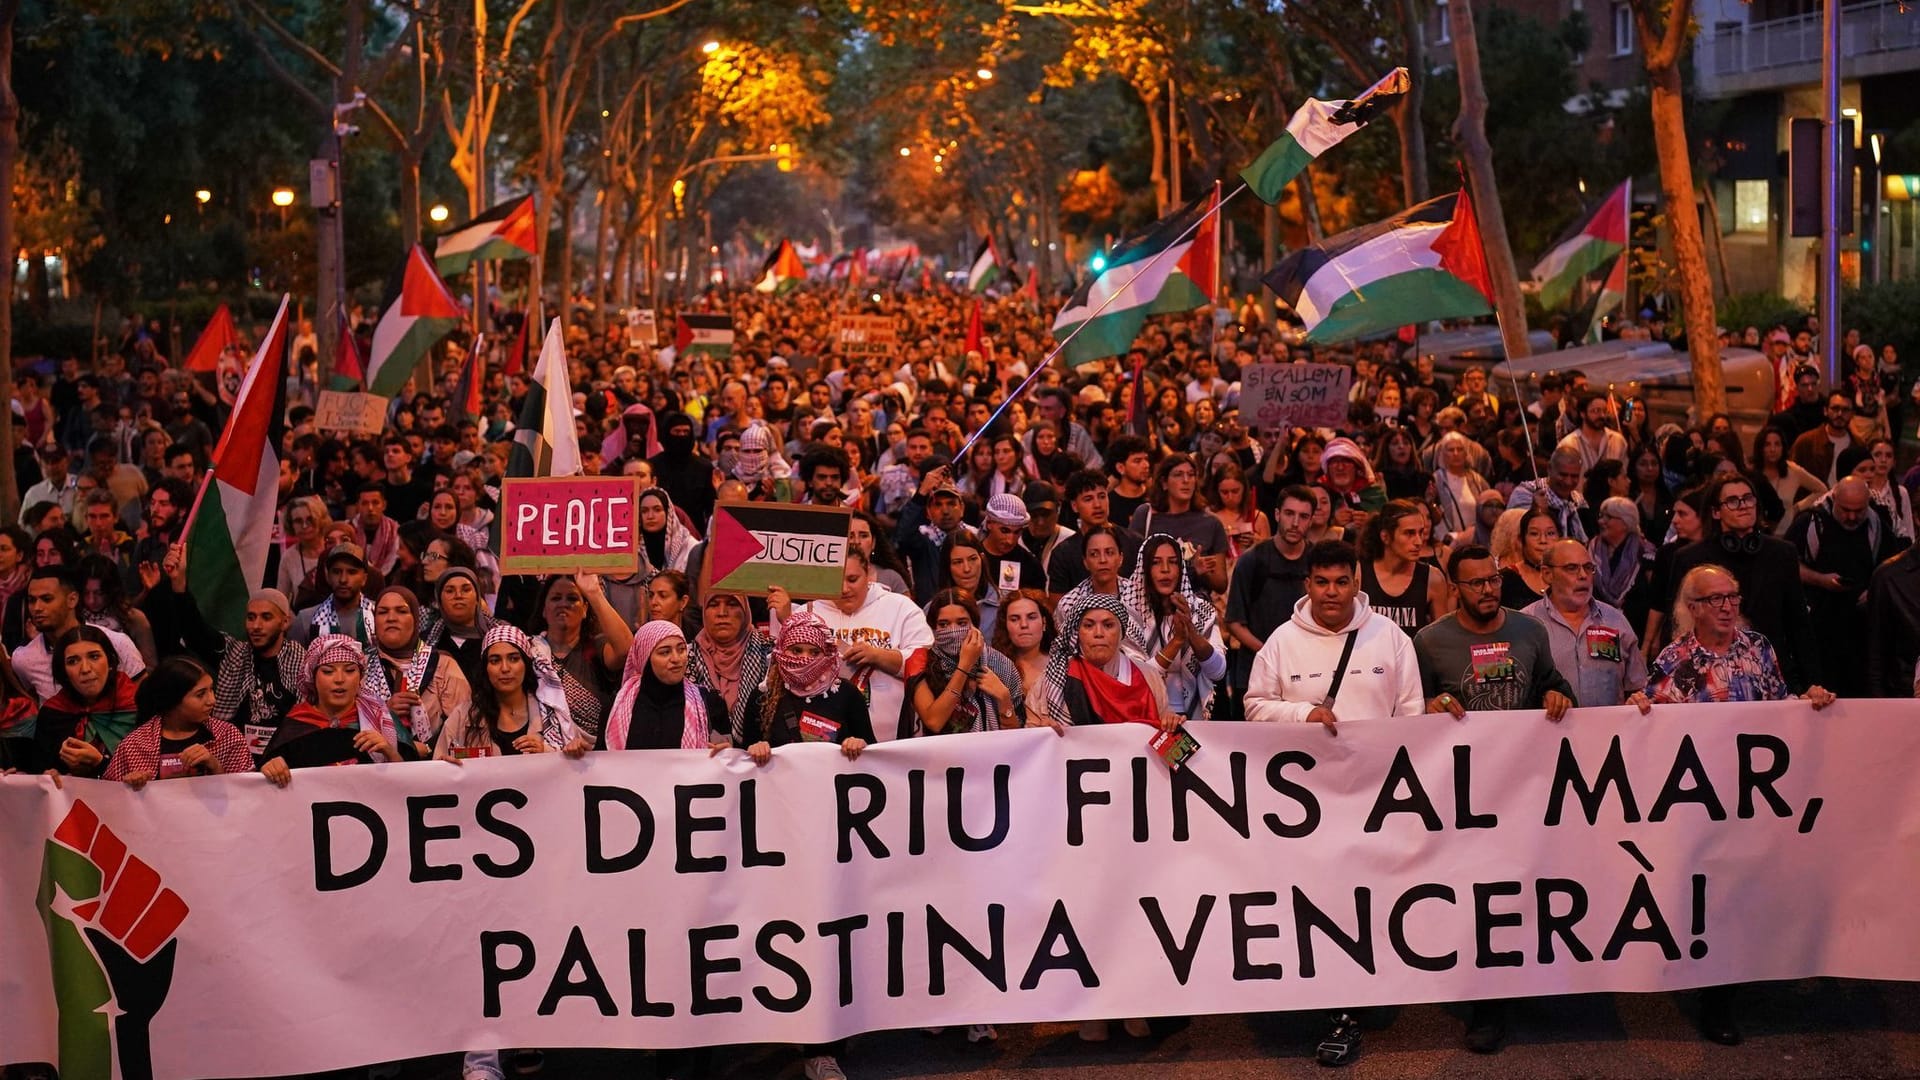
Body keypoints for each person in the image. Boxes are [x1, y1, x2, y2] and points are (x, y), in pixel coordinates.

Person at [1241, 538, 1423, 1066]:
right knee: (1322, 904)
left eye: (1342, 582)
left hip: (1377, 800)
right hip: (1305, 807)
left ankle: (1366, 989)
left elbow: (1411, 713)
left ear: (1357, 583)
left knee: (1372, 900)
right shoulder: (1280, 641)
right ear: (1307, 585)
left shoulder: (1389, 637)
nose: (1331, 593)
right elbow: (1254, 708)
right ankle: (1336, 1012)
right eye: (1321, 582)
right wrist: (1302, 716)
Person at [1412, 544, 1574, 1054]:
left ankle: (1521, 984)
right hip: (1462, 797)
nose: (1488, 590)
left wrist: (1557, 695)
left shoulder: (1529, 631)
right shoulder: (1430, 641)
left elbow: (1553, 683)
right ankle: (1484, 1004)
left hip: (1523, 788)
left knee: (1522, 890)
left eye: (1494, 581)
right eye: (1476, 583)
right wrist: (1432, 706)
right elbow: (1410, 710)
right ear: (1454, 588)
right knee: (1477, 895)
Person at [1668, 474, 1820, 692]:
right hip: (1711, 681)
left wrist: (1812, 684)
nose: (1743, 506)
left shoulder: (1783, 553)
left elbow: (1799, 624)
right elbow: (1677, 625)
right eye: (1732, 501)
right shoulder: (1690, 558)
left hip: (1774, 678)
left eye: (1748, 498)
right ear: (1715, 512)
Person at [771, 548, 933, 742]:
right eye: (837, 582)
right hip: (825, 741)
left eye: (852, 579)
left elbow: (927, 664)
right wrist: (788, 620)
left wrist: (878, 656)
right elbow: (786, 673)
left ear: (869, 575)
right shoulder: (809, 612)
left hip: (896, 741)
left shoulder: (900, 607)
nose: (845, 589)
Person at [1788, 476, 1897, 698]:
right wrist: (1821, 580)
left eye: (1859, 511)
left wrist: (1874, 590)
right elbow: (1788, 566)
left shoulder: (1877, 525)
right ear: (1834, 499)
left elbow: (1891, 567)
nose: (1852, 517)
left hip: (1861, 632)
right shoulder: (1810, 522)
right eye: (1846, 510)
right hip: (1818, 630)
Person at [1524, 539, 1652, 711]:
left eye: (1588, 568)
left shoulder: (1616, 621)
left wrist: (1637, 701)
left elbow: (1638, 686)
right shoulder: (1526, 624)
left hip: (1609, 733)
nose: (1583, 575)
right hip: (1549, 734)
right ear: (1547, 574)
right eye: (1572, 568)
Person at [1035, 592, 1179, 734]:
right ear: (1077, 633)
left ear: (1121, 633)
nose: (1098, 633)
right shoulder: (1055, 677)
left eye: (1108, 625)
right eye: (1089, 625)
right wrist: (1041, 731)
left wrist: (1171, 721)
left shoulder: (1148, 675)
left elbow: (1166, 726)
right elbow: (1031, 736)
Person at [433, 625, 580, 759]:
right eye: (495, 660)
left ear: (526, 664)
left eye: (514, 659)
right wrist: (447, 766)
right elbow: (438, 773)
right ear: (485, 669)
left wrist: (546, 751)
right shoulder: (463, 717)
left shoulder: (551, 714)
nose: (505, 668)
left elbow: (573, 766)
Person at [104, 657, 252, 786]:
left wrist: (215, 767)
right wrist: (130, 786)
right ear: (172, 701)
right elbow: (111, 799)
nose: (212, 700)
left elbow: (248, 795)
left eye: (211, 690)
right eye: (200, 695)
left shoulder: (227, 736)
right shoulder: (134, 745)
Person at [13, 565, 145, 703]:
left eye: (47, 599)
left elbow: (146, 703)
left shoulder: (117, 643)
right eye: (31, 600)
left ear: (72, 600)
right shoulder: (24, 659)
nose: (37, 608)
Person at [599, 620, 731, 752]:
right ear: (645, 658)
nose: (676, 658)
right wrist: (581, 754)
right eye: (665, 652)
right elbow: (602, 762)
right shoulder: (615, 708)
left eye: (681, 649)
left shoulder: (710, 704)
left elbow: (729, 755)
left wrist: (728, 752)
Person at [904, 589, 1022, 736]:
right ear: (933, 628)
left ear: (975, 625)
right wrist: (964, 666)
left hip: (992, 756)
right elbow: (934, 722)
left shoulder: (1001, 664)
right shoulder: (921, 662)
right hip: (941, 756)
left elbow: (1017, 736)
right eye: (944, 624)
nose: (953, 631)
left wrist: (1004, 699)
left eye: (962, 623)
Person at [370, 585, 470, 758]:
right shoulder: (360, 666)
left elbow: (465, 726)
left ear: (416, 619)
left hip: (435, 769)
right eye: (383, 612)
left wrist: (428, 749)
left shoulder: (442, 665)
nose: (391, 618)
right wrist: (385, 714)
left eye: (401, 611)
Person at [33, 626, 141, 778]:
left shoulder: (138, 706)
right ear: (63, 671)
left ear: (110, 662)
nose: (85, 669)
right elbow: (40, 767)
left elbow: (151, 773)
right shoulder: (52, 714)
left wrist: (99, 763)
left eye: (94, 657)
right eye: (73, 661)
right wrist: (51, 773)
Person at [1124, 453, 1231, 591]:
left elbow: (1221, 585)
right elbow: (1128, 567)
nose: (1186, 480)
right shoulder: (1145, 515)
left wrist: (1203, 572)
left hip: (1195, 606)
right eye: (1178, 475)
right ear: (1164, 483)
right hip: (1152, 605)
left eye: (1191, 475)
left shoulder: (1211, 523)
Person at [688, 591, 774, 745]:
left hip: (760, 760)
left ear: (745, 610)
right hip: (703, 759)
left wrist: (785, 618)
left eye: (732, 604)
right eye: (713, 605)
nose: (722, 613)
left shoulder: (768, 653)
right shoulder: (686, 657)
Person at [1358, 500, 1451, 636]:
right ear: (1385, 537)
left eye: (1421, 532)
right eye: (1409, 533)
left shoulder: (1433, 578)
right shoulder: (1359, 574)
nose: (1419, 542)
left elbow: (1441, 640)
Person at [290, 543, 379, 647]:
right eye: (336, 572)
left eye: (352, 572)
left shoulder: (379, 615)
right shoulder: (305, 620)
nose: (343, 579)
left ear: (364, 579)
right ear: (328, 576)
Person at [990, 589, 1055, 723]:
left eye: (1031, 617)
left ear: (1044, 623)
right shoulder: (993, 668)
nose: (1024, 625)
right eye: (1015, 619)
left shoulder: (1063, 666)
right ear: (1005, 626)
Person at [1507, 446, 1589, 542]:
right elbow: (1512, 533)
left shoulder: (1579, 501)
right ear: (1549, 468)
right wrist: (1535, 511)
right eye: (1563, 475)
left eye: (1574, 476)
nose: (1568, 482)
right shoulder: (1525, 493)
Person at [1493, 507, 1559, 610]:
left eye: (1550, 533)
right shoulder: (1504, 580)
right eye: (1534, 534)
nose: (1543, 540)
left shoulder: (1569, 576)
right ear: (1521, 540)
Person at [1789, 391, 1857, 487]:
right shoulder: (1807, 441)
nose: (1840, 414)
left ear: (1852, 414)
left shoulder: (1857, 445)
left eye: (1845, 410)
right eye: (1835, 408)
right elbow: (1790, 474)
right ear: (1825, 411)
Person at [1556, 392, 1629, 472]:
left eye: (1604, 411)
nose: (1602, 415)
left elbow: (1624, 473)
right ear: (1582, 414)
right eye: (1596, 411)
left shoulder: (1618, 441)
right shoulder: (1569, 444)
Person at [636, 486, 697, 577]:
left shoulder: (689, 547)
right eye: (644, 511)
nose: (650, 516)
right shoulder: (634, 549)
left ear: (668, 513)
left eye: (657, 510)